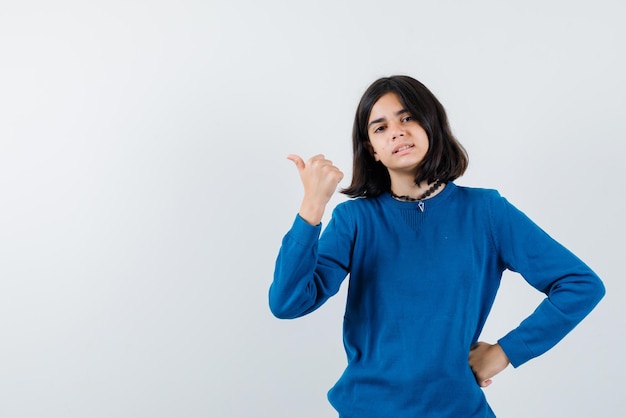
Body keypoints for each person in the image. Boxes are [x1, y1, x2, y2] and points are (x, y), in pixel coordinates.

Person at [268, 75, 605, 417]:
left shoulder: (486, 212)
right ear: (372, 149)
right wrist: (312, 207)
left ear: (432, 124)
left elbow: (580, 285)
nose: (397, 131)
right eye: (380, 127)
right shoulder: (355, 220)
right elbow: (288, 303)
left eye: (408, 117)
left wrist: (505, 352)